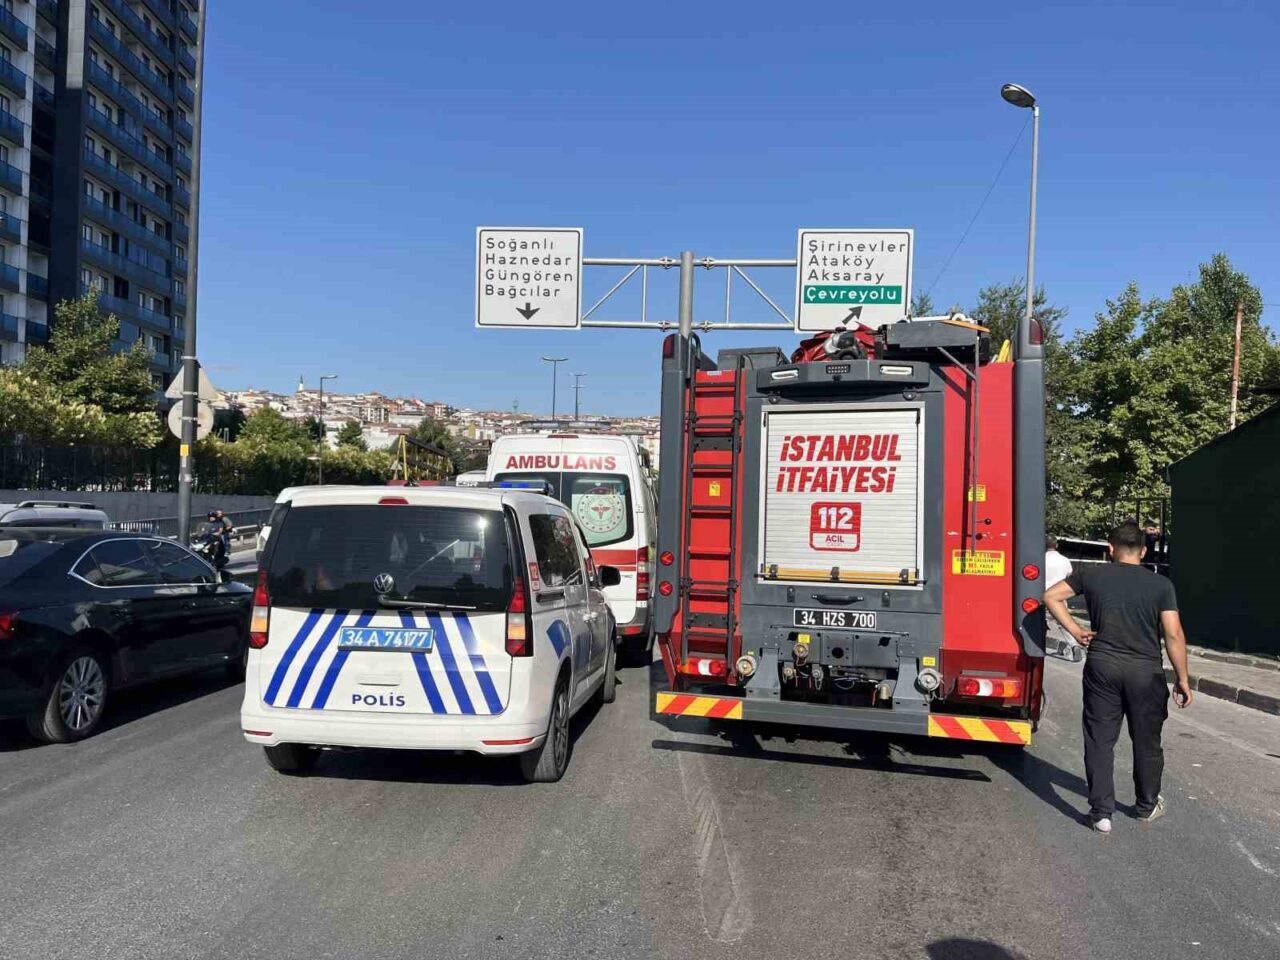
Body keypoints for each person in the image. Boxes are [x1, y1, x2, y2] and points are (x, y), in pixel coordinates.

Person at [1044, 521, 1193, 835]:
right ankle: (1146, 806)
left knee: (1100, 739)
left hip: (1102, 668)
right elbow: (1173, 634)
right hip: (1146, 672)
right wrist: (1182, 678)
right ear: (1144, 551)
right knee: (1147, 740)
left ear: (1110, 548)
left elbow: (1051, 597)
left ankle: (1101, 814)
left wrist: (1076, 631)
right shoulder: (1161, 585)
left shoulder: (1091, 575)